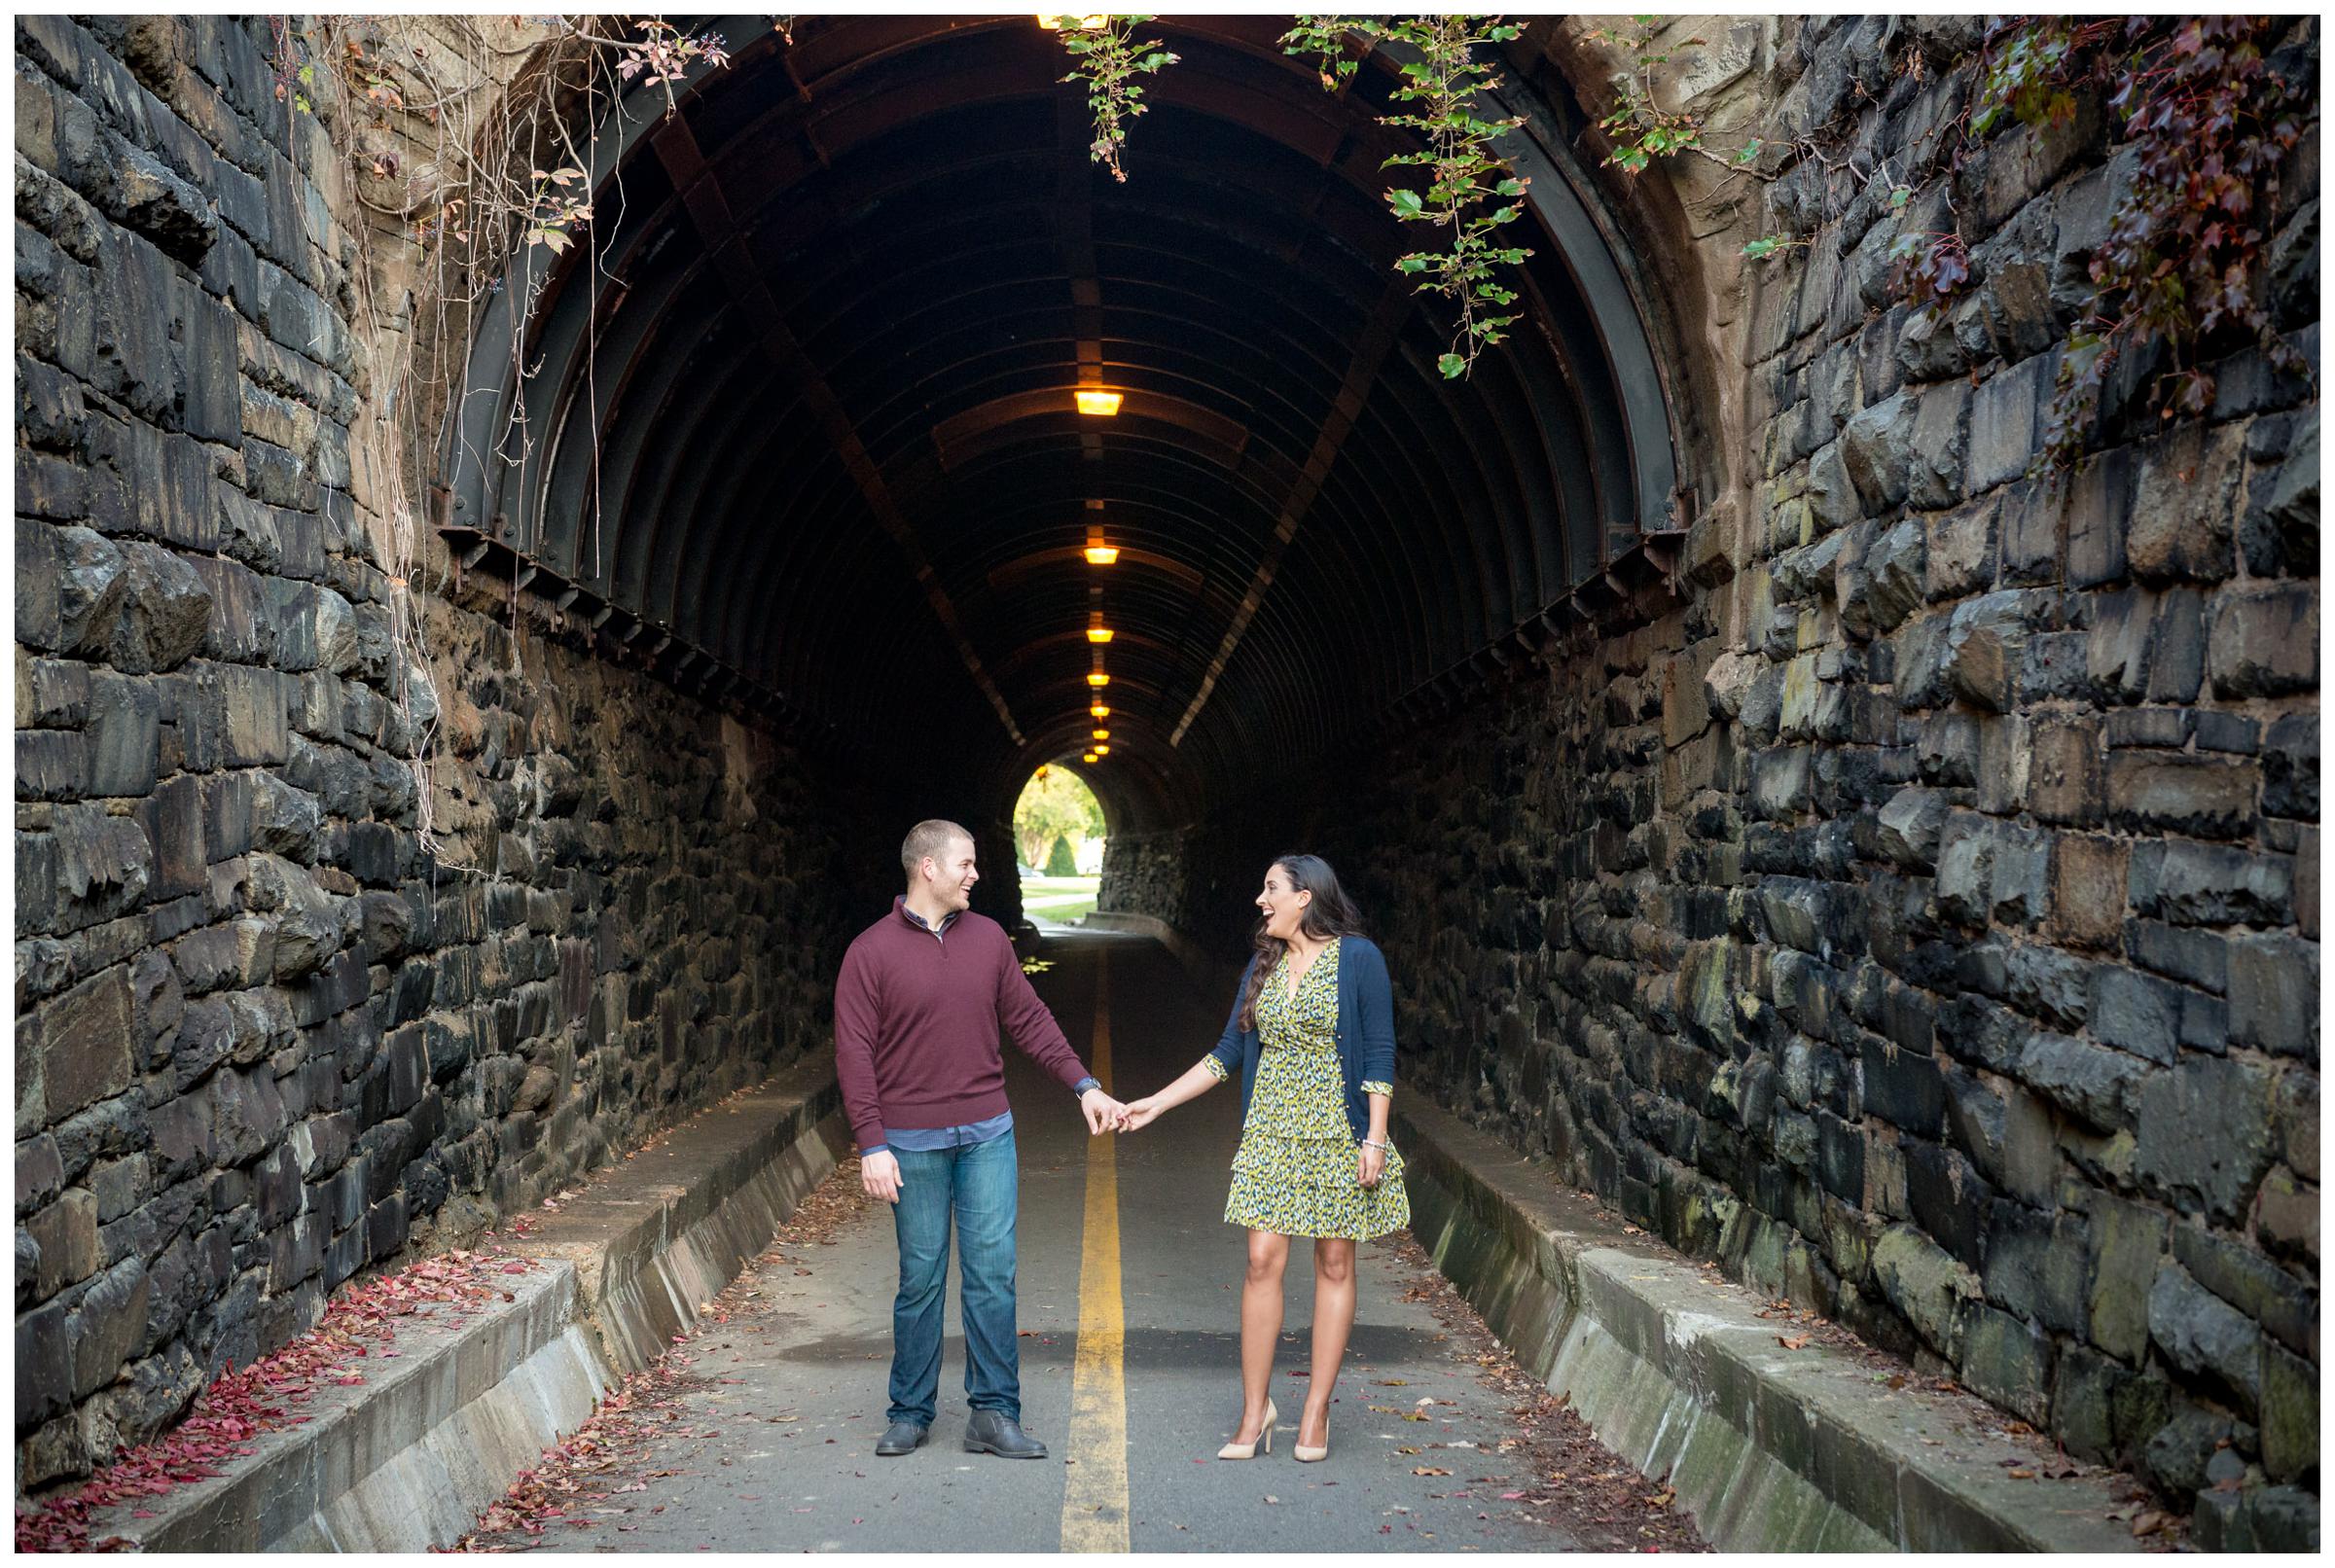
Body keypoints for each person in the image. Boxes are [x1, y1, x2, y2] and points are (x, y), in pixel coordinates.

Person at [835, 819, 1128, 1460]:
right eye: (965, 864)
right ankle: (910, 1412)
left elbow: (1030, 1020)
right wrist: (872, 1144)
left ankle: (994, 1414)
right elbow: (854, 1055)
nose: (976, 874)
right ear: (928, 869)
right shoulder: (869, 953)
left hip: (988, 1134)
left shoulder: (990, 940)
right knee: (922, 1276)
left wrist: (1086, 1086)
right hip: (910, 1143)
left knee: (992, 1274)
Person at [1119, 854, 1407, 1463]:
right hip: (1271, 1131)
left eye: (1270, 887)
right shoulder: (1264, 963)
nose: (1259, 898)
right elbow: (1226, 1054)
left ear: (1305, 897)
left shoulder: (1358, 959)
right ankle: (1255, 1410)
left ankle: (1315, 1410)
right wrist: (1157, 1103)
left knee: (1333, 1262)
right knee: (1260, 1260)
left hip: (1337, 1130)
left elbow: (1379, 1054)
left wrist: (1374, 1137)